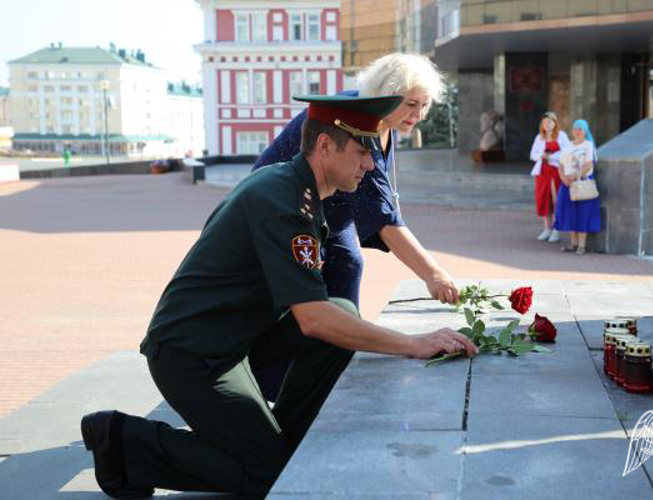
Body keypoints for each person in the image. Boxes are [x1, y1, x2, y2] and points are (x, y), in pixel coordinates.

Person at [79, 95, 478, 499]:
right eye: (361, 151)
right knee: (269, 478)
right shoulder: (283, 201)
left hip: (232, 341)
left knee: (340, 309)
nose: (370, 164)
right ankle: (124, 440)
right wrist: (412, 344)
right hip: (192, 357)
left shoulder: (297, 190)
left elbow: (321, 313)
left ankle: (276, 442)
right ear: (324, 147)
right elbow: (312, 319)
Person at [253, 53, 460, 400]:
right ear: (386, 92)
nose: (418, 115)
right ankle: (275, 380)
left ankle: (338, 353)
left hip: (330, 208)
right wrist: (434, 274)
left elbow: (377, 201)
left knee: (348, 263)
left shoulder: (386, 123)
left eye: (424, 106)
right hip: (286, 209)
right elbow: (383, 219)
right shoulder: (357, 120)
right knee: (295, 290)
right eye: (410, 104)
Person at [554, 119, 601, 255]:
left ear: (585, 131)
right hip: (567, 184)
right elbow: (561, 165)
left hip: (582, 183)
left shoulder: (588, 145)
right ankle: (573, 244)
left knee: (583, 214)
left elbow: (589, 164)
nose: (578, 131)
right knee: (570, 214)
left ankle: (582, 245)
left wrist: (575, 176)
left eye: (581, 128)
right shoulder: (568, 145)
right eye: (575, 128)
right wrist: (563, 178)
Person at [529, 111, 570, 243]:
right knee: (544, 199)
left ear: (555, 123)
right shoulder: (539, 137)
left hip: (556, 171)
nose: (547, 124)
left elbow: (567, 152)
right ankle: (547, 229)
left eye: (550, 122)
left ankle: (556, 230)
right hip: (542, 172)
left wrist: (551, 157)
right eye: (545, 122)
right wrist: (541, 156)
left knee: (555, 200)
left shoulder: (562, 136)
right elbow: (532, 154)